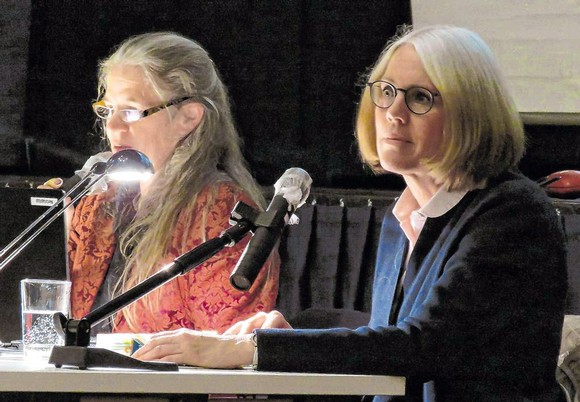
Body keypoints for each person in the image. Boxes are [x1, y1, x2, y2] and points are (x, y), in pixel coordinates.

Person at [133, 25, 568, 402]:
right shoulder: (404, 218)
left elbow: (425, 346)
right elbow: (386, 353)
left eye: (420, 98)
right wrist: (290, 341)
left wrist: (253, 349)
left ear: (470, 113)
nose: (394, 114)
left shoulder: (511, 214)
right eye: (387, 92)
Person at [45, 31, 280, 334]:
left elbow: (229, 345)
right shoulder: (97, 199)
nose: (113, 126)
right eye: (107, 110)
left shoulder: (223, 213)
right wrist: (52, 243)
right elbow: (51, 322)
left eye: (130, 111)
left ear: (189, 118)